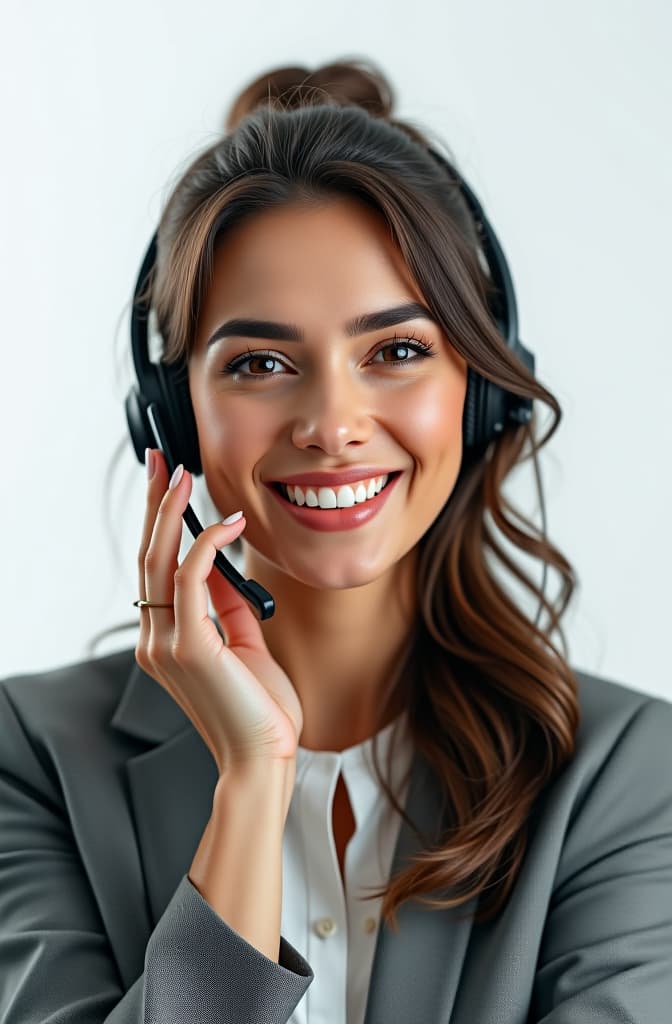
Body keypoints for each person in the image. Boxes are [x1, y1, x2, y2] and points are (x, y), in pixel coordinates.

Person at [0, 58, 670, 1024]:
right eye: (262, 362)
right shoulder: (30, 760)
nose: (332, 422)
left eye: (396, 351)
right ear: (172, 418)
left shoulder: (626, 775)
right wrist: (252, 780)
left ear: (478, 391)